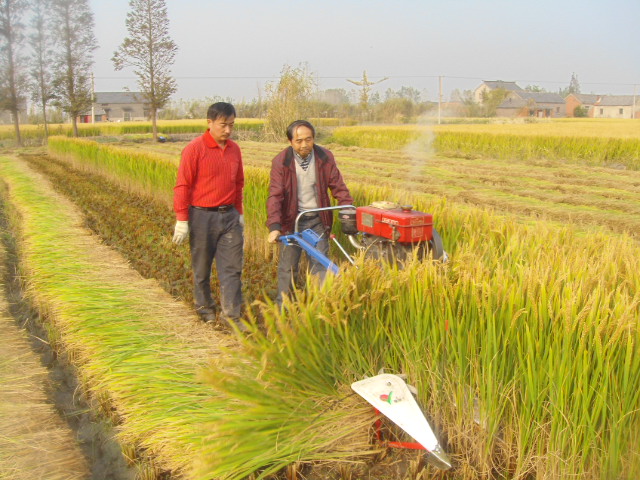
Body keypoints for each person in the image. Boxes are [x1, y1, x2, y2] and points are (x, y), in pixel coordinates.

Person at [172, 102, 245, 329]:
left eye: (231, 125)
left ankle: (231, 316)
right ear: (210, 123)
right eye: (223, 125)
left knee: (232, 268)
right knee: (202, 267)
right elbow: (183, 186)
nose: (228, 130)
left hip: (229, 216)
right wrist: (182, 220)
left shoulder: (234, 149)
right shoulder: (195, 149)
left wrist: (239, 212)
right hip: (202, 216)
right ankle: (204, 307)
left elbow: (239, 182)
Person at [266, 120, 353, 306]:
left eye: (308, 139)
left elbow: (338, 186)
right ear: (290, 141)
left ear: (313, 138)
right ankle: (284, 308)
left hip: (317, 220)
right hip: (292, 222)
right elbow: (275, 196)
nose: (304, 145)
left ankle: (318, 308)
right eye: (299, 141)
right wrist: (274, 227)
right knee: (288, 267)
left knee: (319, 265)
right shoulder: (281, 162)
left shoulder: (324, 157)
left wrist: (347, 208)